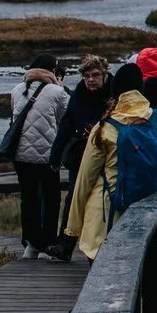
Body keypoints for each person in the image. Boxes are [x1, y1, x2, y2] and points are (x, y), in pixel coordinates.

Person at [65, 62, 157, 261]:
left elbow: (85, 179)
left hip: (105, 215)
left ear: (116, 91)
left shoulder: (104, 127)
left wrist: (74, 226)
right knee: (144, 272)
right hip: (146, 214)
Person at [6, 53, 71, 259]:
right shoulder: (57, 92)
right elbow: (65, 118)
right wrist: (60, 86)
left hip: (20, 154)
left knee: (28, 197)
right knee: (51, 198)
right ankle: (48, 243)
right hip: (47, 155)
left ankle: (30, 243)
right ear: (53, 71)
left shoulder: (17, 89)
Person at [49, 54, 114, 258]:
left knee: (104, 201)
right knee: (74, 197)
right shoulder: (79, 93)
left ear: (104, 74)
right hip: (81, 153)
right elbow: (66, 123)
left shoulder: (115, 93)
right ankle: (65, 245)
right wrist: (55, 155)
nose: (90, 80)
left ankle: (106, 246)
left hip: (108, 155)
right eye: (86, 76)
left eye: (95, 75)